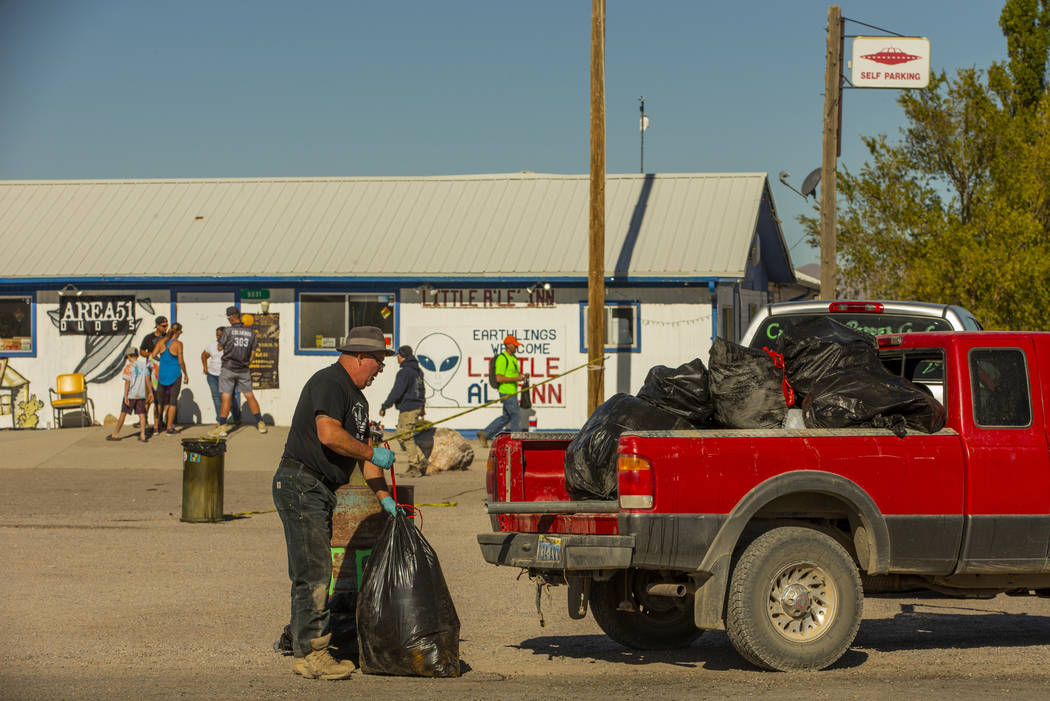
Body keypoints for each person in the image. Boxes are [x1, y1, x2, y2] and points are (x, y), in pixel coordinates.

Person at [272, 325, 398, 680]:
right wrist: (371, 450)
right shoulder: (330, 382)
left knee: (313, 571)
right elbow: (329, 435)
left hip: (320, 489)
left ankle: (306, 651)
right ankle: (313, 654)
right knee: (313, 573)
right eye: (378, 363)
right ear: (361, 356)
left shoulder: (358, 400)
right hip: (302, 483)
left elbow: (366, 459)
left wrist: (385, 497)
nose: (379, 371)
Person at [209, 306, 266, 436]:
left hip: (228, 367)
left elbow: (219, 346)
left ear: (231, 318)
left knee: (226, 396)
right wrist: (248, 362)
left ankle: (223, 426)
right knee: (249, 395)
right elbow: (253, 351)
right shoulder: (250, 332)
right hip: (243, 368)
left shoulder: (228, 331)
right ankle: (260, 423)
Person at [379, 344, 427, 477]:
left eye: (398, 355)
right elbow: (422, 390)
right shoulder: (418, 371)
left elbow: (397, 391)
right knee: (402, 435)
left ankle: (415, 466)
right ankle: (421, 460)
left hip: (409, 408)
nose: (397, 358)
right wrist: (422, 406)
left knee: (405, 436)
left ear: (403, 356)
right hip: (415, 407)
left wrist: (385, 406)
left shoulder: (405, 372)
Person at [477, 335, 528, 448]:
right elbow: (499, 378)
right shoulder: (502, 358)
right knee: (516, 416)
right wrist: (517, 378)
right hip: (506, 392)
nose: (516, 347)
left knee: (506, 417)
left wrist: (522, 377)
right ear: (508, 345)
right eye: (514, 345)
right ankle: (516, 443)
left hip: (513, 392)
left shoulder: (513, 359)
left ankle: (485, 434)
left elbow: (513, 375)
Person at [150, 322, 189, 435]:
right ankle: (169, 428)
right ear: (179, 331)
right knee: (172, 402)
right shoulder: (178, 344)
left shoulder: (161, 342)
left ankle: (156, 427)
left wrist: (162, 361)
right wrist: (186, 374)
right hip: (175, 374)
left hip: (162, 374)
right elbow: (181, 362)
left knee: (159, 401)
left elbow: (153, 355)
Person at [106, 348, 151, 442]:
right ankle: (142, 435)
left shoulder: (128, 367)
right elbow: (148, 381)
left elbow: (127, 382)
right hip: (141, 395)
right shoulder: (144, 366)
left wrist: (126, 396)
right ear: (137, 355)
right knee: (142, 415)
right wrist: (150, 392)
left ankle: (115, 434)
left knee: (123, 413)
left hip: (131, 395)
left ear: (129, 356)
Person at [202, 327, 242, 425]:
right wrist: (205, 367)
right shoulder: (212, 345)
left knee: (230, 398)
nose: (218, 337)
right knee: (216, 397)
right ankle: (221, 421)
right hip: (213, 376)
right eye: (217, 335)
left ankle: (236, 417)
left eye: (221, 335)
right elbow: (204, 355)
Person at [139, 316, 168, 432]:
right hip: (151, 371)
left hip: (164, 370)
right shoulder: (149, 338)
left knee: (163, 397)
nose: (166, 327)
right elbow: (141, 351)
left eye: (167, 325)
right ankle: (144, 419)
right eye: (164, 325)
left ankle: (160, 420)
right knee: (149, 396)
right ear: (157, 325)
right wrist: (152, 354)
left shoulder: (168, 338)